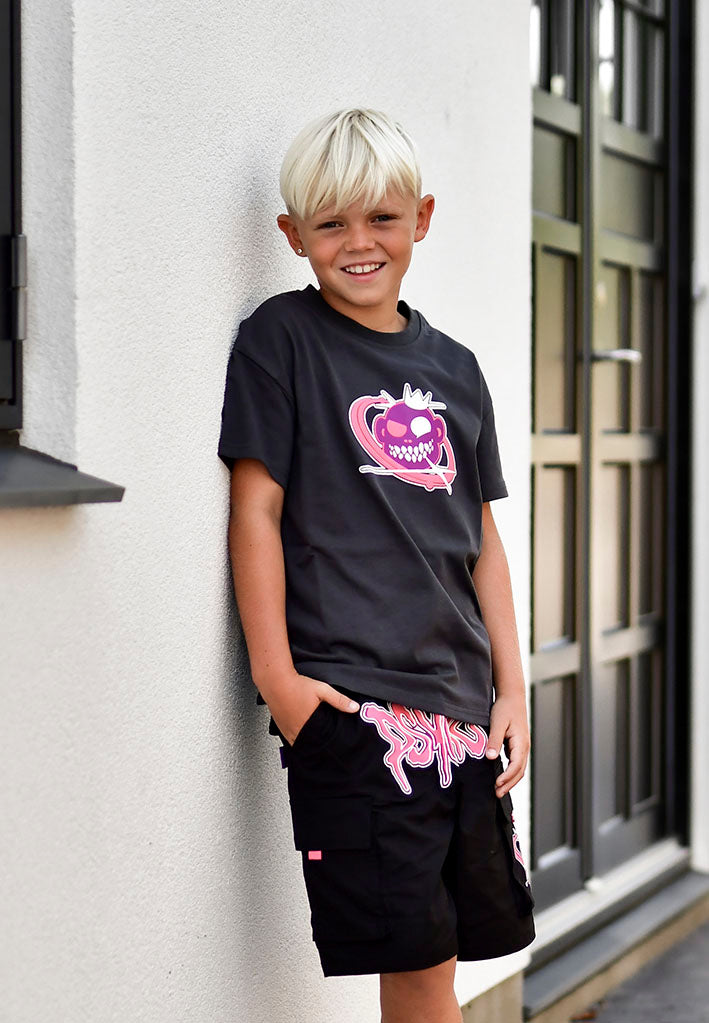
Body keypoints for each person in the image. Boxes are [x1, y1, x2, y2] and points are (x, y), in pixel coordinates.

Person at [218, 108, 535, 1023]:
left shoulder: (456, 368)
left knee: (440, 960)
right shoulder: (283, 339)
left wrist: (511, 690)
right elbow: (256, 511)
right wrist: (278, 680)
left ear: (421, 219)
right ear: (294, 235)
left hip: (462, 717)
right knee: (416, 959)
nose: (358, 243)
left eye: (382, 218)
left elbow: (480, 541)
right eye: (331, 224)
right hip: (357, 710)